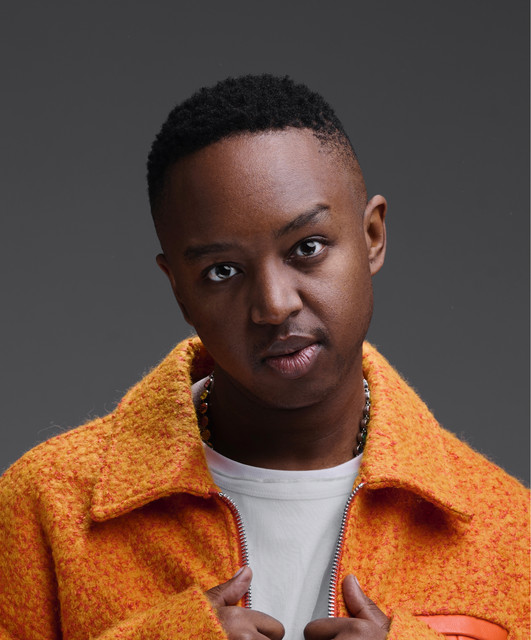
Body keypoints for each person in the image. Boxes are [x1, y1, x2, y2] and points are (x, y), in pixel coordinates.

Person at [0, 75, 528, 640]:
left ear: (372, 235)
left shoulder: (509, 529)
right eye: (222, 271)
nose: (274, 305)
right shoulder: (47, 505)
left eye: (307, 248)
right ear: (179, 290)